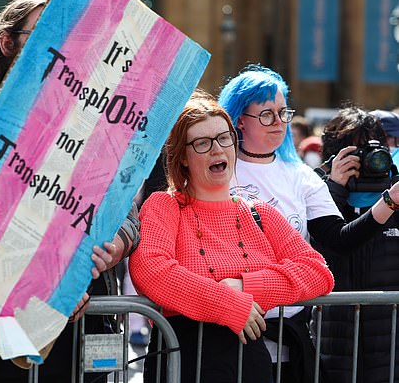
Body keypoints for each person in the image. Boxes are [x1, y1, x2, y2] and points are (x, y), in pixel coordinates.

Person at [0, 0, 140, 382]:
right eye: (43, 30)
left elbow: (125, 212)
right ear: (6, 42)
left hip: (78, 319)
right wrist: (44, 284)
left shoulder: (96, 123)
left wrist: (115, 244)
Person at [129, 90, 334, 383]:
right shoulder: (165, 205)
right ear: (183, 157)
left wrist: (244, 285)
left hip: (248, 361)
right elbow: (151, 271)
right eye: (202, 143)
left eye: (224, 138)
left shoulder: (260, 213)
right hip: (182, 360)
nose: (217, 149)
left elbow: (317, 272)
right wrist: (227, 303)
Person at [218, 65, 399, 382]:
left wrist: (390, 200)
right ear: (239, 120)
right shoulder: (217, 169)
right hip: (224, 328)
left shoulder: (300, 175)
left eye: (282, 112)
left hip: (287, 335)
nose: (278, 123)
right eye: (266, 115)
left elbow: (337, 240)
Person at [314, 106, 399, 383]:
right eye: (356, 152)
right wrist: (335, 188)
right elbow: (328, 245)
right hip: (334, 341)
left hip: (390, 340)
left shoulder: (394, 194)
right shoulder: (317, 194)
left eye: (374, 149)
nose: (368, 160)